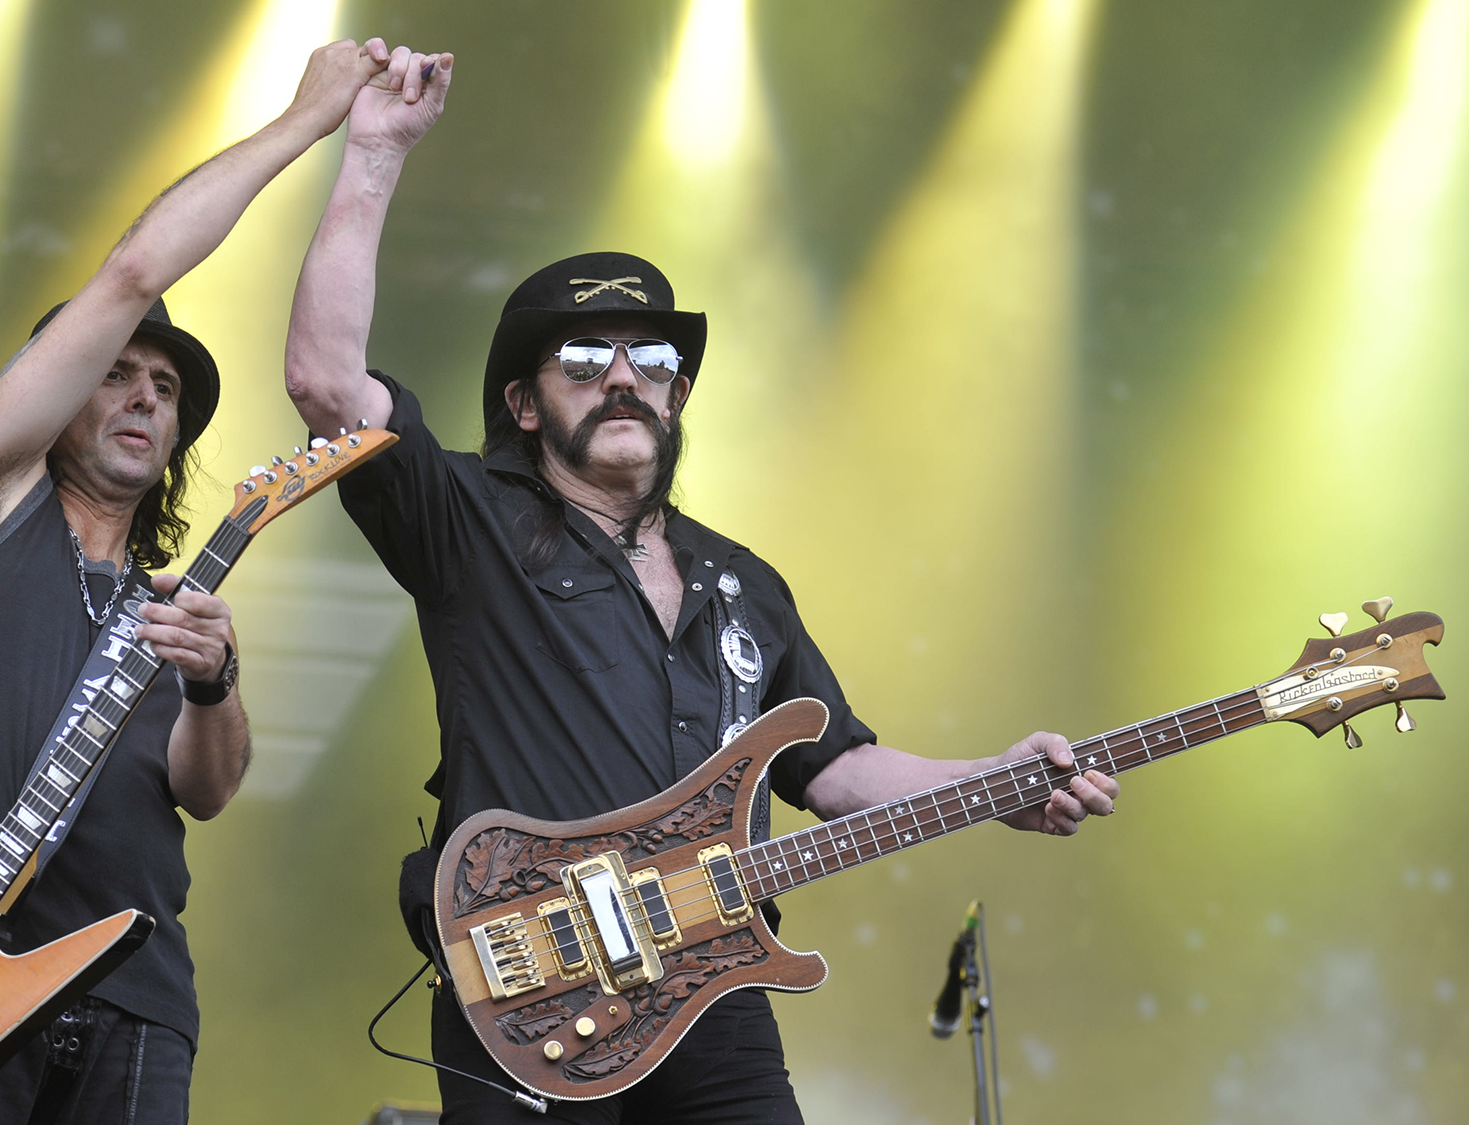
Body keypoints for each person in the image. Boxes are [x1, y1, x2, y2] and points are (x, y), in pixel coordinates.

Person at [280, 49, 1121, 1122]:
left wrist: (990, 779)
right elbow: (322, 381)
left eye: (652, 360)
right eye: (583, 358)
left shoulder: (742, 583)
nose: (624, 376)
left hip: (709, 986)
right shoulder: (471, 522)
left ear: (677, 398)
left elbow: (834, 771)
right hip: (535, 977)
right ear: (524, 407)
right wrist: (375, 152)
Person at [0, 39, 397, 1124]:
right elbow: (135, 274)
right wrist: (304, 123)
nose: (142, 396)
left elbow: (208, 791)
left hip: (131, 1002)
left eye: (165, 387)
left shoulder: (169, 603)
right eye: (114, 374)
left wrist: (215, 681)